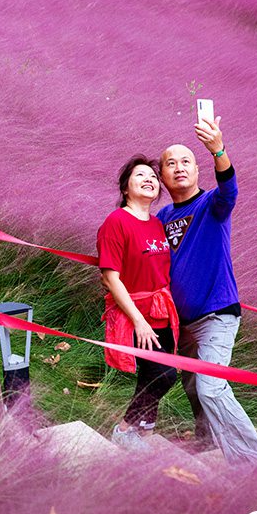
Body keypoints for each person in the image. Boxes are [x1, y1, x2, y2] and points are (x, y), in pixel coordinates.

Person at [156, 116, 257, 465]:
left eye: (186, 161)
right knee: (193, 386)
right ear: (161, 175)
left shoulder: (211, 204)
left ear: (197, 170)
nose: (179, 167)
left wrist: (218, 150)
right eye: (170, 163)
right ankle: (207, 443)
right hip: (182, 322)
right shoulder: (162, 217)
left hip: (217, 314)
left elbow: (229, 189)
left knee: (210, 386)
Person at [97, 155, 180, 451]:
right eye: (140, 175)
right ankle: (123, 429)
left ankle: (144, 431)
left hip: (161, 311)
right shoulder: (116, 222)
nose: (149, 180)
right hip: (135, 314)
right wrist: (139, 321)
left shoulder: (157, 224)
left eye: (153, 177)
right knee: (164, 374)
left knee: (151, 375)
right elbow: (110, 278)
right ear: (125, 188)